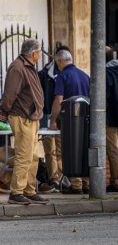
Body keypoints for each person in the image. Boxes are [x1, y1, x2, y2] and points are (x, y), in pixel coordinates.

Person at [0, 38, 48, 205]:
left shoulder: (27, 66)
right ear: (33, 53)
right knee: (24, 155)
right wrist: (4, 111)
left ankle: (29, 190)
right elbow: (9, 95)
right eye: (39, 52)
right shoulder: (18, 68)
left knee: (33, 156)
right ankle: (16, 192)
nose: (40, 55)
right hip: (22, 117)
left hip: (31, 117)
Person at [49, 49, 90, 194]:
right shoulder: (85, 75)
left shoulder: (62, 75)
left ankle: (75, 184)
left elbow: (59, 99)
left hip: (68, 121)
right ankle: (86, 182)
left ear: (60, 61)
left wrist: (53, 119)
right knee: (84, 149)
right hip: (86, 119)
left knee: (69, 150)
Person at [38, 43, 68, 191]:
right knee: (49, 151)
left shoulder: (67, 74)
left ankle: (62, 178)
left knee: (62, 150)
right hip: (46, 116)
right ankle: (54, 179)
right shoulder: (44, 74)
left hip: (63, 117)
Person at [105, 46, 118, 192]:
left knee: (113, 150)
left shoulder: (106, 73)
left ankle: (115, 181)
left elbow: (104, 98)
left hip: (111, 118)